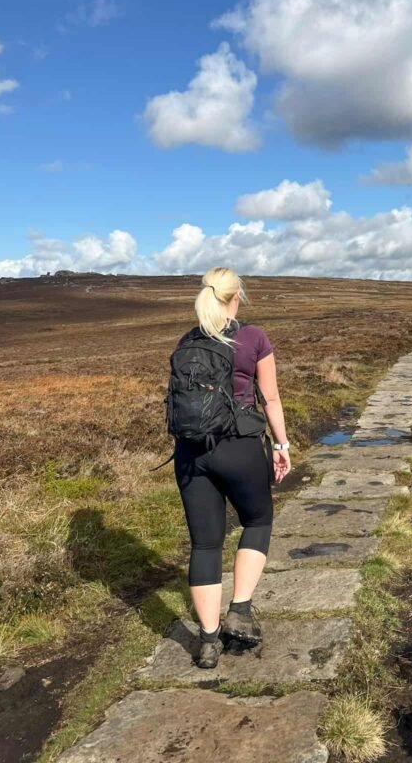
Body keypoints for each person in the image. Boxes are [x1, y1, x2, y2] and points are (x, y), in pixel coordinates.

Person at [172, 266, 291, 668]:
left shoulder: (187, 341)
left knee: (205, 543)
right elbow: (270, 399)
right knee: (257, 520)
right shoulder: (253, 336)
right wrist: (282, 444)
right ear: (236, 296)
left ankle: (207, 642)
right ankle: (239, 609)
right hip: (239, 447)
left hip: (191, 454)